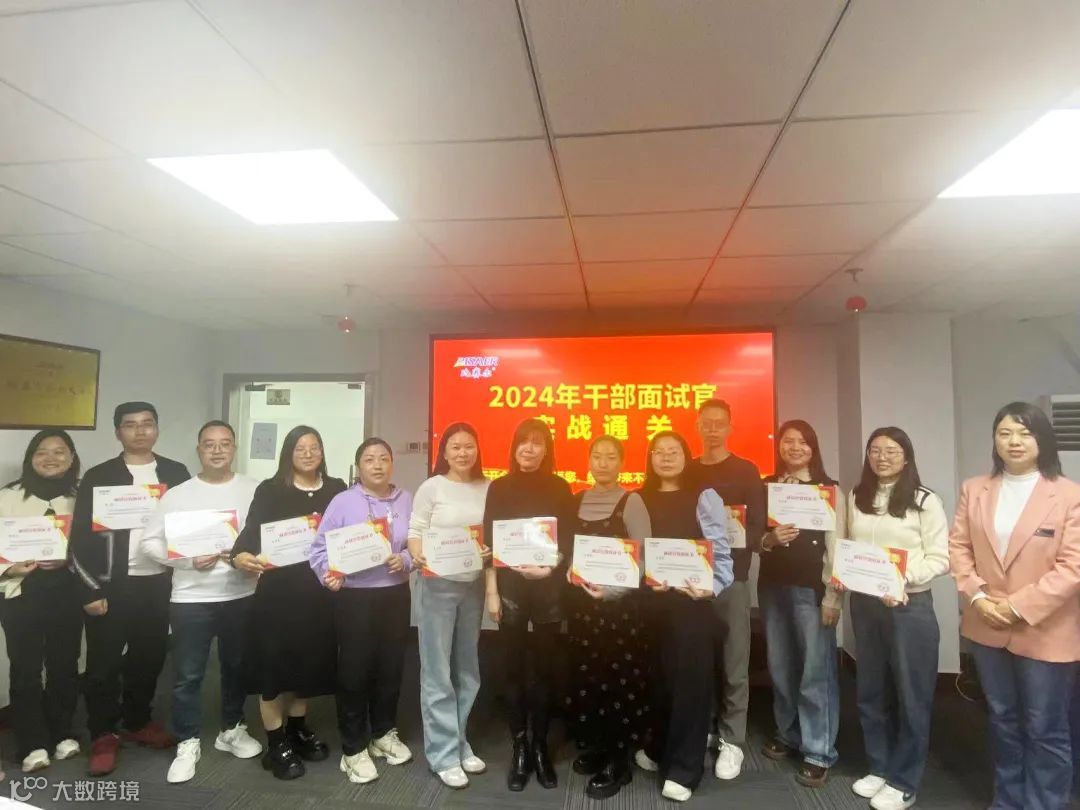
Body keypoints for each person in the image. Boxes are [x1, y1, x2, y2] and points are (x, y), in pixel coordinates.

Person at [949, 402, 1080, 810]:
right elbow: (959, 548)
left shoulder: (1070, 494)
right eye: (1005, 433)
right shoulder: (975, 489)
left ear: (1043, 440)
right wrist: (977, 596)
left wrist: (1016, 607)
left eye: (1025, 433)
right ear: (995, 440)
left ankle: (1045, 803)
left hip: (1046, 629)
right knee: (1003, 719)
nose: (1014, 441)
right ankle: (1007, 800)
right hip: (986, 622)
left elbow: (1073, 566)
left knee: (1045, 727)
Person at [70, 402, 191, 776]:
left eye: (147, 424)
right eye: (130, 425)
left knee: (149, 656)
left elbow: (189, 524)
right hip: (111, 585)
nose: (140, 431)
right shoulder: (100, 475)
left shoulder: (175, 472)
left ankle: (137, 720)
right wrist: (89, 591)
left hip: (159, 582)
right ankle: (103, 732)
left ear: (157, 429)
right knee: (104, 663)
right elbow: (78, 539)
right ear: (117, 432)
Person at [140, 421, 262, 783]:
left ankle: (232, 729)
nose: (217, 450)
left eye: (225, 443)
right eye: (209, 444)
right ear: (199, 450)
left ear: (234, 448)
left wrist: (256, 558)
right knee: (188, 675)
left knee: (237, 667)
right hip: (191, 598)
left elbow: (265, 535)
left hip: (241, 594)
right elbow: (149, 542)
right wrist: (186, 560)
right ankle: (187, 740)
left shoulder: (254, 490)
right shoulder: (178, 495)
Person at [231, 425, 345, 780]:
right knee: (274, 670)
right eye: (300, 448)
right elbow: (251, 532)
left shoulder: (336, 489)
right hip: (278, 596)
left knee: (305, 668)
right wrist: (240, 555)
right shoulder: (271, 489)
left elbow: (346, 533)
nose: (308, 454)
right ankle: (276, 742)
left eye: (314, 447)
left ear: (322, 452)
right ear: (288, 454)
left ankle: (297, 730)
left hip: (318, 595)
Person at [847, 427, 949, 810]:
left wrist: (901, 579)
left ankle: (904, 780)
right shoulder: (857, 496)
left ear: (906, 457)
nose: (882, 457)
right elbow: (851, 547)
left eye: (891, 451)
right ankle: (880, 765)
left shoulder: (925, 501)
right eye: (875, 450)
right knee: (870, 689)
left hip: (909, 606)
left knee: (911, 694)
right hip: (866, 603)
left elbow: (940, 558)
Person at [635, 430, 734, 803]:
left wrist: (713, 586)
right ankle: (659, 747)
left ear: (685, 456)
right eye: (658, 451)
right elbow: (632, 551)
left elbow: (719, 550)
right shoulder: (637, 497)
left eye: (673, 451)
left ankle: (684, 769)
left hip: (691, 604)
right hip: (650, 601)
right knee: (657, 682)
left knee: (690, 686)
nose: (665, 457)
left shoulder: (704, 496)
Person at [310, 437, 415, 785]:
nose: (378, 465)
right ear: (359, 467)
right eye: (369, 459)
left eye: (384, 458)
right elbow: (319, 549)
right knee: (355, 671)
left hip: (395, 594)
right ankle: (353, 748)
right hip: (355, 598)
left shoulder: (407, 499)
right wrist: (328, 576)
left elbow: (418, 545)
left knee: (391, 667)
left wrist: (406, 559)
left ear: (392, 464)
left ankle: (383, 732)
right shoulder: (343, 501)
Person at [482, 417, 576, 792]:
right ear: (514, 447)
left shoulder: (560, 487)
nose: (530, 449)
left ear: (546, 449)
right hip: (509, 589)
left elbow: (567, 540)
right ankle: (519, 746)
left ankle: (540, 746)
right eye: (524, 441)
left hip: (549, 588)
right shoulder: (499, 487)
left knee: (545, 670)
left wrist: (549, 567)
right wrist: (492, 592)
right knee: (513, 669)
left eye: (538, 443)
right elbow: (490, 543)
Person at [564, 434, 652, 800]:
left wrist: (613, 591)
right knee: (589, 679)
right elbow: (569, 551)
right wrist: (570, 571)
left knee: (618, 683)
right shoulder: (576, 500)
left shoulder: (632, 501)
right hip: (584, 609)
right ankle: (599, 747)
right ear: (588, 461)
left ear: (621, 463)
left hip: (620, 611)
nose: (603, 463)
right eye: (597, 456)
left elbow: (643, 557)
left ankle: (619, 761)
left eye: (611, 456)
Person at [758, 420, 845, 787]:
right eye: (787, 441)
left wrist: (833, 596)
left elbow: (837, 546)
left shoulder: (829, 490)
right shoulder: (767, 486)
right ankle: (788, 733)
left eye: (802, 442)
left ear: (813, 447)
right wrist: (768, 540)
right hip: (772, 588)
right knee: (780, 667)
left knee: (815, 671)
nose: (794, 447)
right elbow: (753, 536)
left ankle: (818, 750)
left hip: (812, 591)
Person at [406, 424, 493, 789]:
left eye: (468, 446)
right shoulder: (432, 487)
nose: (462, 453)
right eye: (455, 447)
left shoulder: (489, 487)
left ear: (477, 450)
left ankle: (459, 741)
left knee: (467, 668)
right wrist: (419, 555)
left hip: (473, 586)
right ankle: (442, 754)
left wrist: (490, 551)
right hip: (437, 585)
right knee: (437, 671)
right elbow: (415, 532)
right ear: (444, 452)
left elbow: (493, 534)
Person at [690, 398, 765, 780]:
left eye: (720, 423)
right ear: (698, 425)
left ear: (731, 426)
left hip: (732, 578)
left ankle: (732, 739)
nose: (713, 429)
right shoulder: (687, 470)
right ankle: (704, 727)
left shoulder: (746, 471)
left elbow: (757, 526)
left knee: (735, 662)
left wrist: (728, 534)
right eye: (707, 422)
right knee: (699, 661)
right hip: (693, 581)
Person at [0, 430, 83, 773]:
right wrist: (9, 568)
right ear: (30, 458)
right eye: (42, 452)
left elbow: (96, 547)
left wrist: (69, 558)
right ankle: (31, 742)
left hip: (67, 592)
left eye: (59, 451)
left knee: (65, 665)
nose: (51, 458)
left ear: (72, 458)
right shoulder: (7, 497)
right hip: (21, 593)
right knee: (26, 669)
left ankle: (62, 731)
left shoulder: (82, 497)